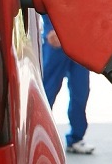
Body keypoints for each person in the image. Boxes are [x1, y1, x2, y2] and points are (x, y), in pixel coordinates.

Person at [41, 14, 95, 154]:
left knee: (81, 91)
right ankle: (39, 137)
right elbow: (45, 3)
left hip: (80, 41)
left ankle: (75, 138)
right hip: (56, 40)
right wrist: (50, 28)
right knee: (47, 91)